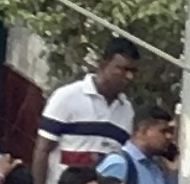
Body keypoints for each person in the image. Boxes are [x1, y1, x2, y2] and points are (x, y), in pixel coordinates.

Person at [38, 39, 141, 175]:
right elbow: (43, 149)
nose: (129, 76)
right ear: (103, 65)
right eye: (123, 69)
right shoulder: (66, 97)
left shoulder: (127, 110)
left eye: (133, 71)